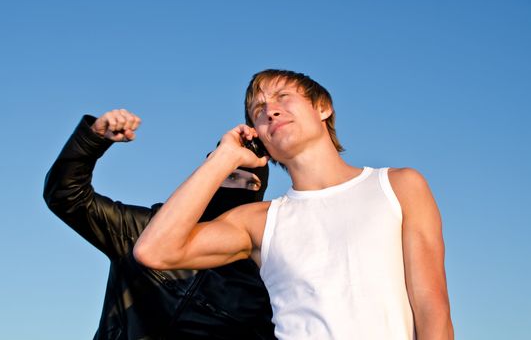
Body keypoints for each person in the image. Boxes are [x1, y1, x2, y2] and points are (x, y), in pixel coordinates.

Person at [134, 69, 454, 339]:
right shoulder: (258, 221)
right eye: (258, 110)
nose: (270, 110)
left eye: (283, 97)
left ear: (322, 107)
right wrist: (224, 157)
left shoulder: (398, 186)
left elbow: (432, 307)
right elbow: (154, 250)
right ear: (259, 137)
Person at [43, 109, 276, 340]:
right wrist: (93, 138)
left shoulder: (262, 277)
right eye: (231, 177)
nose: (238, 189)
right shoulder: (140, 229)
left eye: (251, 184)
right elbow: (67, 196)